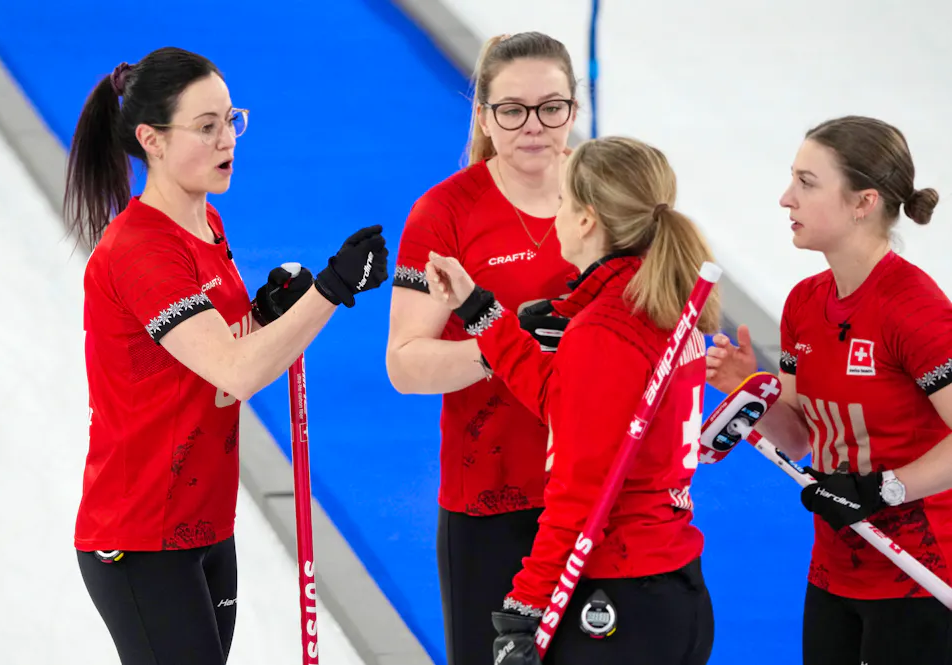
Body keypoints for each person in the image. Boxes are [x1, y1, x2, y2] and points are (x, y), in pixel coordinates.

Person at [64, 47, 388, 665]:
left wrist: (268, 312)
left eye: (231, 120)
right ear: (152, 140)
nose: (227, 139)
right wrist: (330, 290)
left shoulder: (206, 222)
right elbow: (236, 371)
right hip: (143, 534)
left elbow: (215, 352)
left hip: (204, 520)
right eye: (206, 126)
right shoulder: (141, 251)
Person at [425, 135, 719, 664]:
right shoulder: (656, 304)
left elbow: (579, 490)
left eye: (562, 201)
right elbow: (561, 401)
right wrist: (481, 312)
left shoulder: (605, 330)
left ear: (586, 220)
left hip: (617, 600)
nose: (554, 215)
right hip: (668, 586)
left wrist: (526, 602)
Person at [706, 115, 952, 665]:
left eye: (807, 183)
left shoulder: (914, 309)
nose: (786, 198)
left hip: (920, 576)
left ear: (863, 202)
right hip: (836, 570)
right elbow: (799, 440)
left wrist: (885, 489)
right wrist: (751, 390)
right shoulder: (804, 303)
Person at [386, 32, 579, 665]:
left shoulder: (608, 198)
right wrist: (500, 343)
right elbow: (404, 364)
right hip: (493, 498)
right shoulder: (445, 214)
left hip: (596, 492)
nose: (534, 126)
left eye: (551, 107)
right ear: (484, 116)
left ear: (575, 108)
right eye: (513, 110)